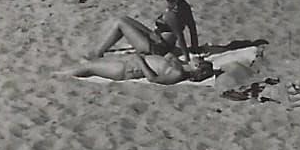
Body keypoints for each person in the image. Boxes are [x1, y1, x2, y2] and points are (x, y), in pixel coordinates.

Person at [83, 0, 200, 58]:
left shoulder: (172, 15)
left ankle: (98, 53)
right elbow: (192, 27)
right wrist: (195, 48)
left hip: (157, 48)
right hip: (160, 42)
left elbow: (181, 38)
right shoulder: (184, 6)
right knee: (124, 19)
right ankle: (100, 51)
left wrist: (186, 58)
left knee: (120, 23)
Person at [68, 50, 215, 85]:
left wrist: (140, 61)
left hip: (127, 69)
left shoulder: (177, 73)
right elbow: (166, 58)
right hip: (130, 61)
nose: (199, 56)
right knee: (89, 63)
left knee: (89, 67)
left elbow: (153, 79)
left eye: (200, 59)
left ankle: (60, 75)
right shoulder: (181, 65)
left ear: (196, 66)